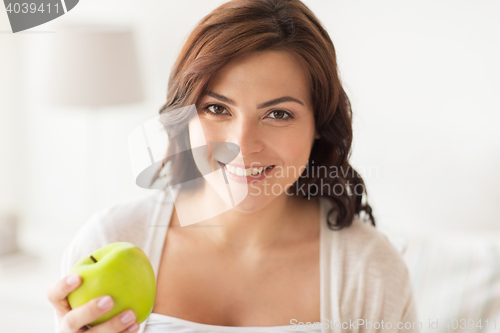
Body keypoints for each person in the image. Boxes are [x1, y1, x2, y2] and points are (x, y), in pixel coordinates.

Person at [47, 0, 420, 332]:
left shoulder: (368, 272)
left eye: (278, 113)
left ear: (319, 126)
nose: (242, 144)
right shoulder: (112, 237)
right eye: (217, 108)